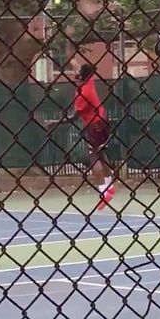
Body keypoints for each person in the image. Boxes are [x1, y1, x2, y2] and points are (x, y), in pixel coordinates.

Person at [44, 64, 115, 211]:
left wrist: (54, 123)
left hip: (94, 125)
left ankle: (103, 191)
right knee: (101, 154)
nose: (75, 80)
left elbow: (73, 117)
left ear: (82, 79)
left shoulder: (82, 94)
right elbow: (84, 68)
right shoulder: (90, 82)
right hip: (103, 122)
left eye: (77, 78)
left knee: (94, 157)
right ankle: (110, 187)